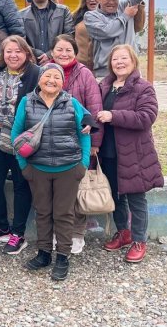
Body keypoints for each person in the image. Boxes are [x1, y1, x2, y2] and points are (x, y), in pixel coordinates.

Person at [13, 63, 91, 281]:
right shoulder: (26, 103)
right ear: (39, 80)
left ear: (62, 82)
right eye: (47, 75)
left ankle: (63, 256)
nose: (51, 80)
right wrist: (24, 166)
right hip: (37, 169)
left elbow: (84, 134)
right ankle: (44, 252)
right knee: (43, 212)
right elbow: (16, 136)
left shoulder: (72, 103)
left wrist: (82, 164)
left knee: (64, 214)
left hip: (68, 168)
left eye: (56, 77)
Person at [96, 45, 163, 263]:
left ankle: (139, 240)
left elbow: (146, 117)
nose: (119, 62)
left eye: (124, 58)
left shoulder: (143, 88)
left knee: (136, 198)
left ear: (133, 61)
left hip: (134, 153)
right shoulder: (105, 86)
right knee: (115, 196)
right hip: (107, 152)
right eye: (115, 59)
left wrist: (113, 116)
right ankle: (123, 233)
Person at [0, 35, 40, 255]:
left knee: (20, 185)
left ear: (26, 53)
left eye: (18, 51)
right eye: (8, 51)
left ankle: (18, 233)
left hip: (20, 139)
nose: (13, 55)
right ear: (2, 54)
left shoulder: (35, 73)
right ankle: (1, 226)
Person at [50, 34, 103, 253]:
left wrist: (95, 142)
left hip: (79, 140)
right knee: (55, 190)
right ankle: (58, 232)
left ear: (75, 52)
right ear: (52, 52)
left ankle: (77, 233)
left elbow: (95, 107)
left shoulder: (84, 74)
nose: (63, 54)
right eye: (59, 50)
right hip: (51, 141)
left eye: (68, 50)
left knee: (77, 188)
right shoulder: (46, 71)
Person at [85, 0, 156, 77]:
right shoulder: (91, 16)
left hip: (131, 71)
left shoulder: (124, 6)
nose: (112, 2)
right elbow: (108, 31)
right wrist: (126, 16)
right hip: (104, 74)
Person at [20, 0, 74, 65]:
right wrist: (37, 54)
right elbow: (20, 40)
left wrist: (49, 55)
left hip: (58, 64)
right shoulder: (21, 15)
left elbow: (69, 37)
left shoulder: (63, 11)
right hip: (31, 65)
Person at [71, 0, 100, 70]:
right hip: (80, 67)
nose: (92, 0)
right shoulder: (75, 17)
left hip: (101, 67)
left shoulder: (110, 16)